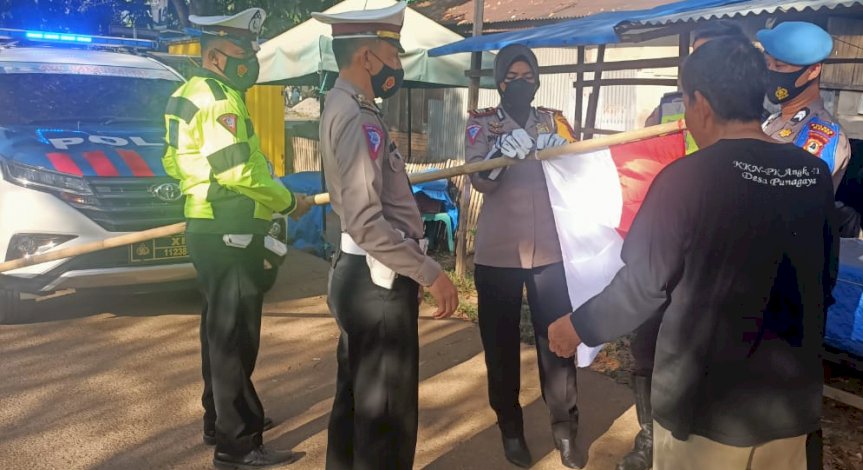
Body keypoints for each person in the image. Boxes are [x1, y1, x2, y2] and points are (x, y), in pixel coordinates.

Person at [547, 38, 837, 470]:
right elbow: (824, 280)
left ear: (699, 101)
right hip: (788, 410)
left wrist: (577, 326)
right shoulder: (813, 175)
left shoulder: (687, 179)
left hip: (706, 414)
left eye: (684, 101)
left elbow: (643, 288)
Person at [312, 4, 460, 469]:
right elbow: (366, 221)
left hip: (362, 275)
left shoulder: (346, 104)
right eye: (392, 51)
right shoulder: (358, 116)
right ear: (366, 58)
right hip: (379, 281)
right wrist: (431, 272)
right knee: (387, 417)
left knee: (356, 402)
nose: (398, 61)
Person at [162, 7, 310, 468]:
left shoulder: (187, 93)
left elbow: (173, 161)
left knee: (218, 335)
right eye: (244, 50)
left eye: (252, 50)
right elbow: (239, 170)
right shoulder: (221, 101)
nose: (251, 59)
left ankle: (222, 419)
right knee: (235, 339)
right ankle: (236, 445)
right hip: (231, 230)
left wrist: (198, 186)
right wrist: (287, 201)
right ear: (217, 55)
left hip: (207, 226)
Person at [618, 19, 746, 470]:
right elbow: (647, 158)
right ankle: (650, 437)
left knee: (705, 354)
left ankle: (695, 441)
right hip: (670, 241)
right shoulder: (671, 105)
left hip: (717, 256)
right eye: (693, 53)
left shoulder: (750, 114)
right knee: (647, 347)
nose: (698, 62)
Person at [465, 43, 585, 469]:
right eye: (511, 77)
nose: (520, 84)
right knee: (499, 347)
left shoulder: (554, 121)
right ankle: (510, 429)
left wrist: (565, 152)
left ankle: (565, 429)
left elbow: (580, 169)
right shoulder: (481, 125)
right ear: (499, 82)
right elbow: (478, 179)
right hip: (499, 254)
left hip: (550, 253)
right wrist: (500, 157)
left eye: (527, 76)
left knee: (558, 343)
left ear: (537, 80)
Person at [759, 21, 860, 239]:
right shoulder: (772, 121)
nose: (771, 72)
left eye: (780, 66)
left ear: (813, 70)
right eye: (768, 64)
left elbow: (789, 202)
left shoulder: (823, 134)